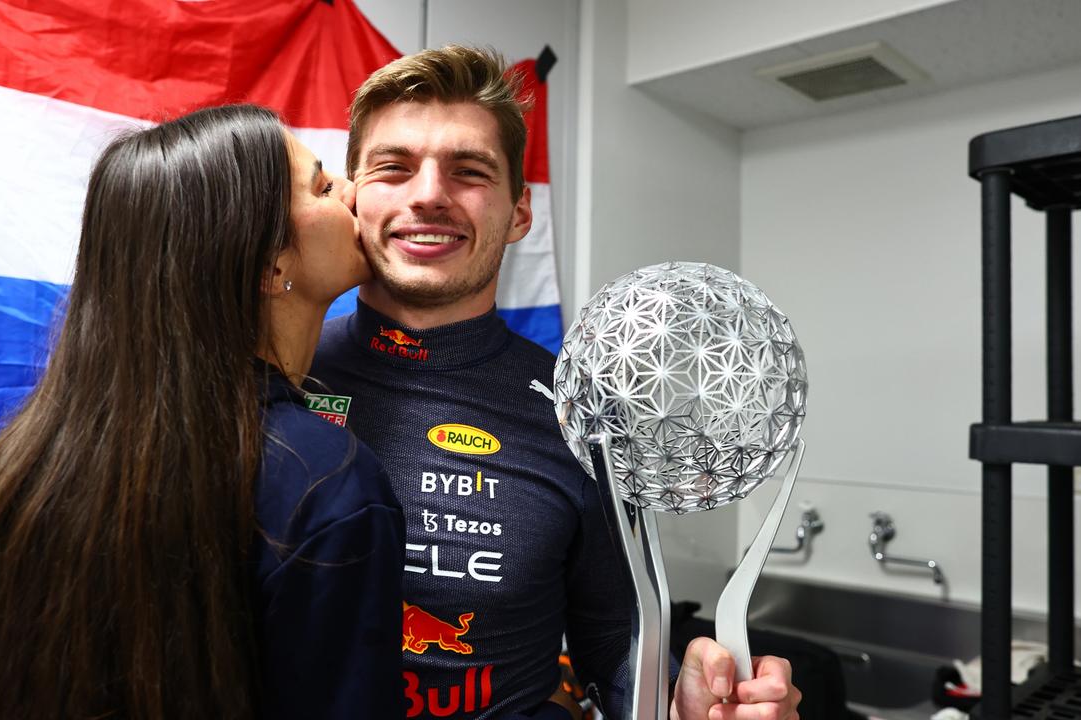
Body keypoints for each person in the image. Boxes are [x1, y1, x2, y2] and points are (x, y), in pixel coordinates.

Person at [311, 45, 802, 719]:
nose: (428, 194)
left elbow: (614, 645)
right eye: (393, 168)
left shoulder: (583, 416)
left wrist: (674, 702)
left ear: (519, 213)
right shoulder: (275, 377)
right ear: (351, 198)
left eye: (470, 170)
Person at [0, 104, 404, 719]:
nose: (353, 192)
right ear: (270, 265)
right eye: (322, 185)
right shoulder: (328, 486)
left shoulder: (18, 466)